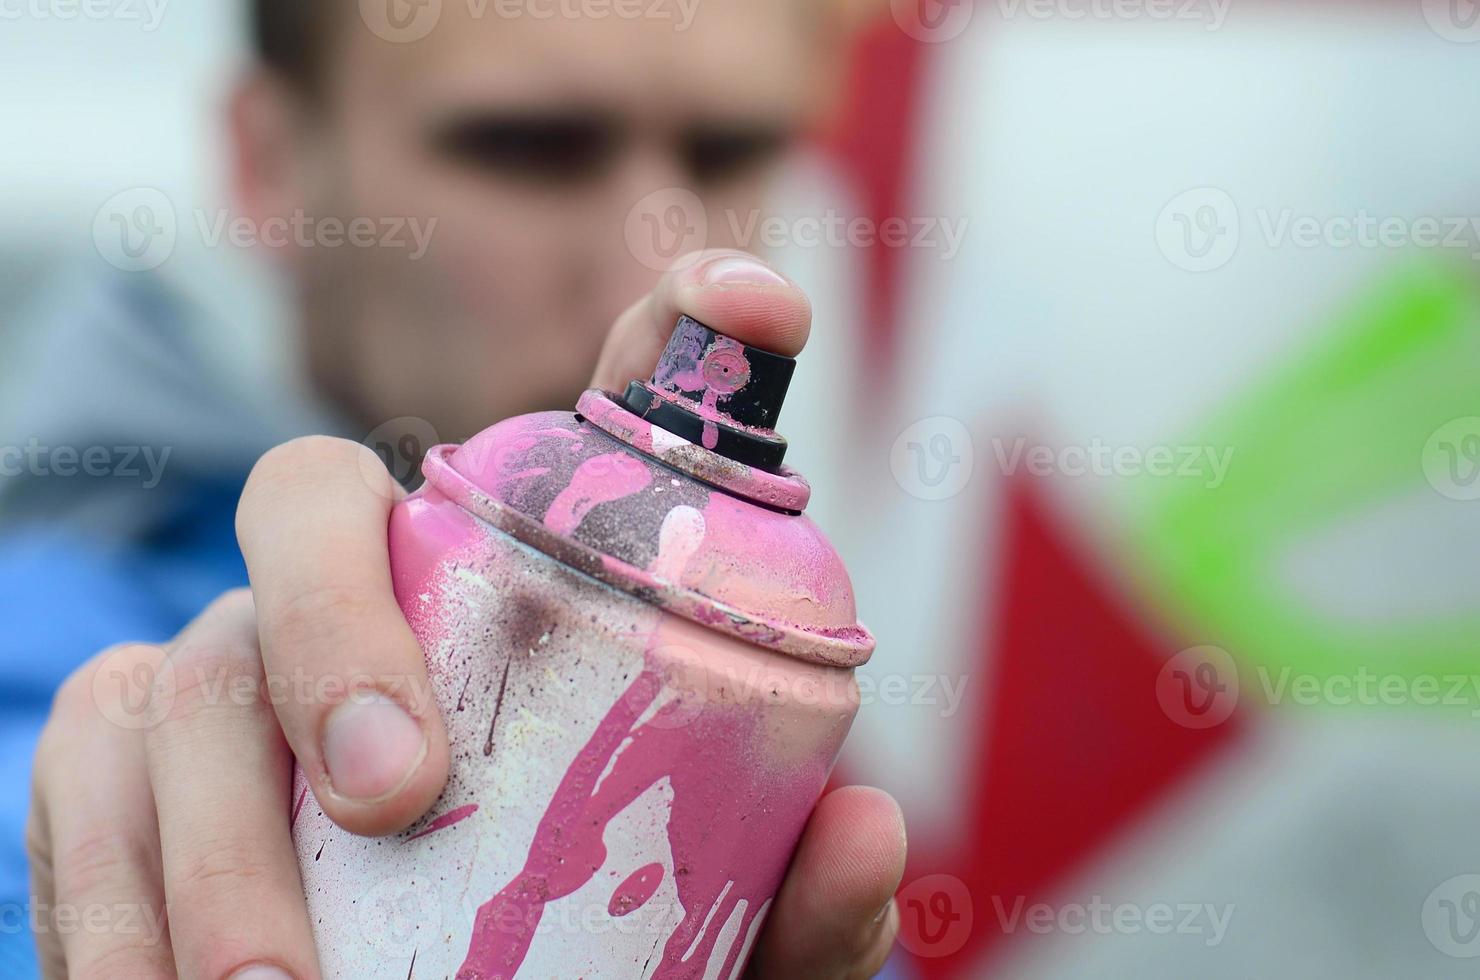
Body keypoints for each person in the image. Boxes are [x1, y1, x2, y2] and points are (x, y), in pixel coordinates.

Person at [12, 1, 907, 977]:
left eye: (730, 150)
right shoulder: (50, 664)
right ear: (268, 162)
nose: (658, 260)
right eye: (527, 149)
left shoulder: (746, 712)